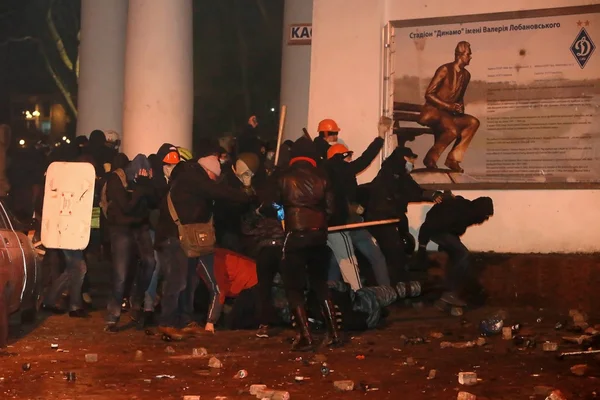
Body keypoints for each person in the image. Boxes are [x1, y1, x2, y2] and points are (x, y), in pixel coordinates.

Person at [154, 153, 251, 339]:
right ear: (208, 171)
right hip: (174, 237)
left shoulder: (189, 177)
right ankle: (168, 321)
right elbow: (217, 192)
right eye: (214, 177)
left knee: (190, 280)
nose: (214, 181)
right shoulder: (192, 178)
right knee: (178, 281)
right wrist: (244, 196)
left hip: (184, 237)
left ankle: (184, 320)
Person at [276, 136, 340, 351]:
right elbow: (331, 209)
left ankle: (306, 335)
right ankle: (333, 333)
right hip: (319, 235)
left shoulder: (285, 177)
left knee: (293, 287)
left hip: (295, 235)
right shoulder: (323, 177)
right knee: (320, 284)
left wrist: (281, 214)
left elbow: (273, 203)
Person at [325, 117, 391, 290]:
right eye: (348, 156)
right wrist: (380, 136)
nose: (351, 160)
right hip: (350, 223)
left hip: (338, 226)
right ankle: (385, 292)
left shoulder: (325, 174)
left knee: (335, 262)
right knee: (373, 258)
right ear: (342, 157)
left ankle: (328, 300)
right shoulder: (343, 170)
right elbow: (365, 159)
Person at [366, 146, 443, 284]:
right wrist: (428, 195)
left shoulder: (399, 173)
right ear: (403, 158)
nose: (412, 162)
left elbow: (414, 189)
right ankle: (394, 283)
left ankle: (399, 279)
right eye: (410, 159)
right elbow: (406, 192)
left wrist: (431, 194)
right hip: (382, 218)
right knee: (394, 249)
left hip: (394, 216)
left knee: (401, 245)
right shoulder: (390, 174)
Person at [104, 154, 157, 332]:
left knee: (150, 263)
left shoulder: (142, 181)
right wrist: (141, 188)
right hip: (120, 228)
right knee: (121, 274)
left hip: (140, 228)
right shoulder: (116, 180)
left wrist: (146, 186)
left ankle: (137, 300)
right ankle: (113, 314)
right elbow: (127, 207)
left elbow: (154, 202)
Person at [416, 195, 494, 307]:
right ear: (479, 210)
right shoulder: (458, 210)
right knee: (462, 254)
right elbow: (429, 225)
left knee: (459, 256)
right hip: (435, 231)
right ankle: (450, 293)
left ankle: (452, 292)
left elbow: (453, 230)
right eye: (485, 216)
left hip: (444, 231)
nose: (484, 220)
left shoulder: (468, 214)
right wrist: (422, 247)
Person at [419, 41, 480, 173]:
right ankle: (430, 158)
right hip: (435, 111)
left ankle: (453, 159)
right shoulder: (445, 69)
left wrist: (460, 107)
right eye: (468, 54)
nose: (470, 57)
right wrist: (448, 105)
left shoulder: (466, 75)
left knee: (473, 122)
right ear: (460, 55)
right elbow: (429, 94)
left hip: (450, 114)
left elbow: (459, 97)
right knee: (452, 131)